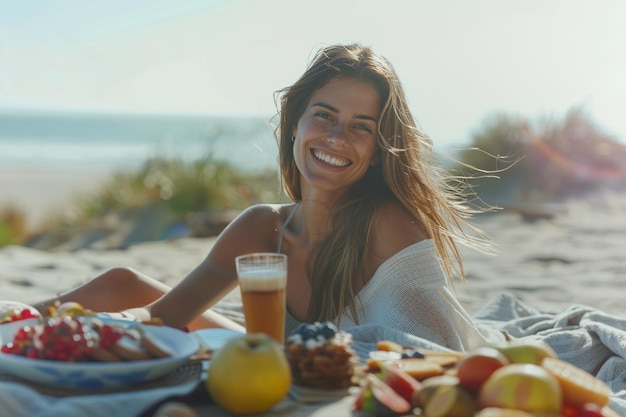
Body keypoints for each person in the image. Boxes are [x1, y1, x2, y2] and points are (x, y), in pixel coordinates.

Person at [34, 43, 506, 351]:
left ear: (380, 150)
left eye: (361, 127)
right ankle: (15, 321)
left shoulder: (388, 225)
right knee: (121, 281)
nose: (337, 137)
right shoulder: (264, 228)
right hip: (269, 363)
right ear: (295, 123)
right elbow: (163, 318)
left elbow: (440, 353)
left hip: (327, 382)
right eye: (324, 115)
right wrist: (84, 331)